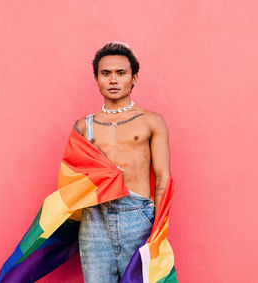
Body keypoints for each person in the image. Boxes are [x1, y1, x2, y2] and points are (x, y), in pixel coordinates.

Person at [73, 41, 171, 282]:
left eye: (121, 73)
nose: (113, 80)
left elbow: (163, 176)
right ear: (97, 80)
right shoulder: (83, 126)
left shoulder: (151, 121)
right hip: (94, 218)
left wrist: (158, 226)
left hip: (137, 216)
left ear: (134, 78)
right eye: (105, 73)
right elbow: (73, 182)